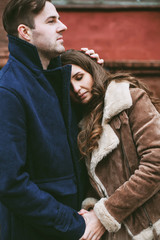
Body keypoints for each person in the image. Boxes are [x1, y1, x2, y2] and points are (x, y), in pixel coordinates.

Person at [0, 0, 104, 239]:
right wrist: (75, 225)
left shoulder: (56, 80)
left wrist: (96, 80)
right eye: (51, 21)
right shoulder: (8, 91)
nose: (63, 26)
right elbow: (10, 183)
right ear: (25, 32)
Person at [61, 49, 160, 240]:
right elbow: (99, 180)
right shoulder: (83, 125)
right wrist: (91, 208)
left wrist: (105, 213)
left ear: (92, 70)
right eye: (68, 86)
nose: (76, 88)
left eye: (79, 77)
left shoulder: (130, 100)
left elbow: (156, 164)